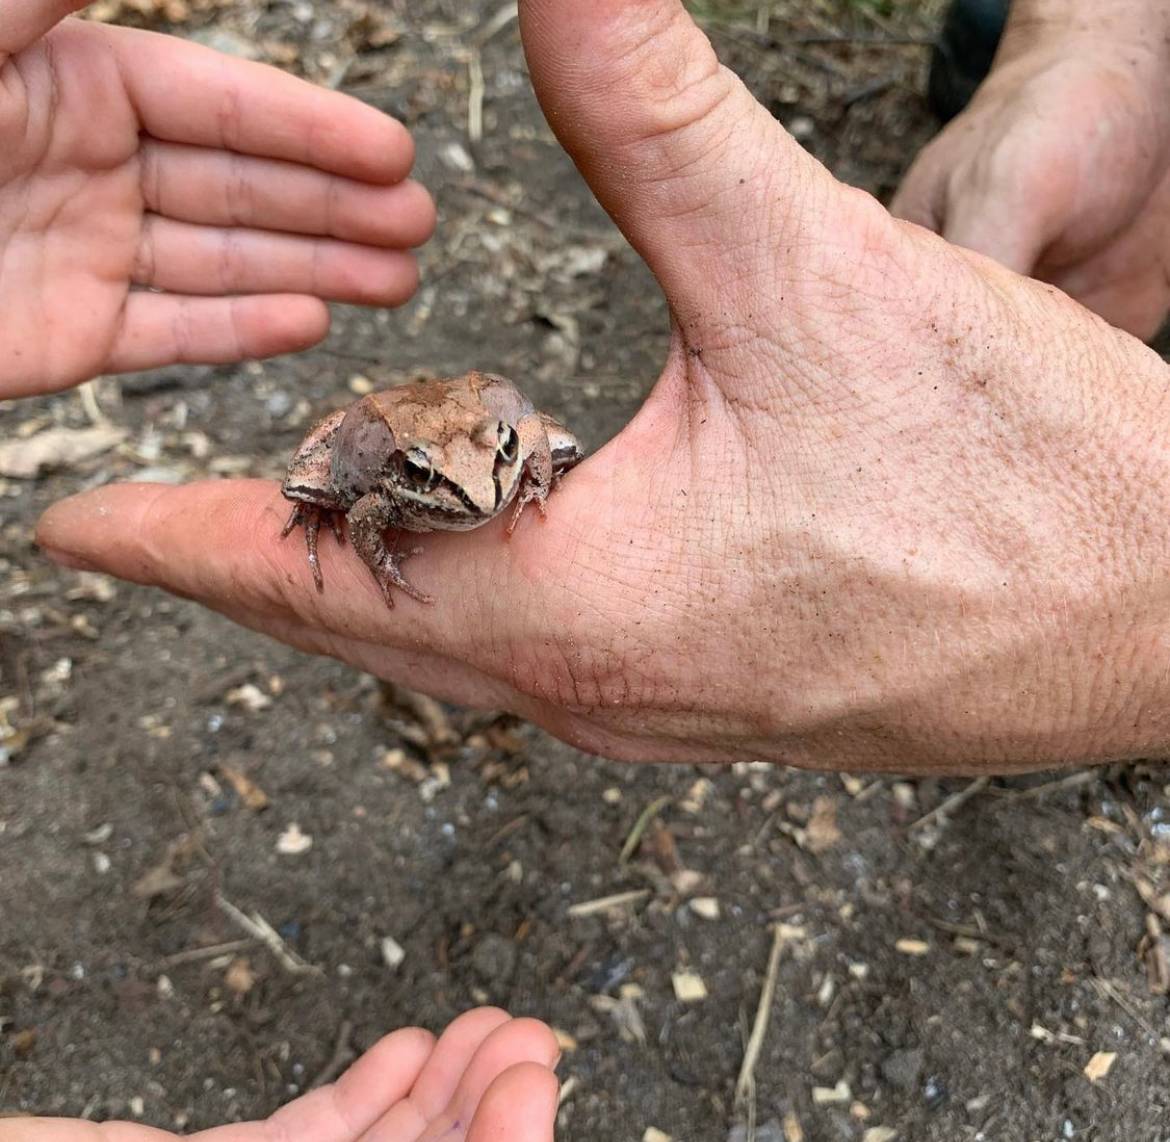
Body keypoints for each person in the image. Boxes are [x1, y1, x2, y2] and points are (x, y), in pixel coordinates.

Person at [7, 0, 1170, 1134]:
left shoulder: (507, 451)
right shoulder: (408, 481)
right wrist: (374, 533)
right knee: (311, 493)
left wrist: (527, 467)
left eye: (500, 475)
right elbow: (367, 506)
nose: (470, 500)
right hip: (395, 437)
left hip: (473, 425)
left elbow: (533, 435)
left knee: (493, 463)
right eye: (452, 486)